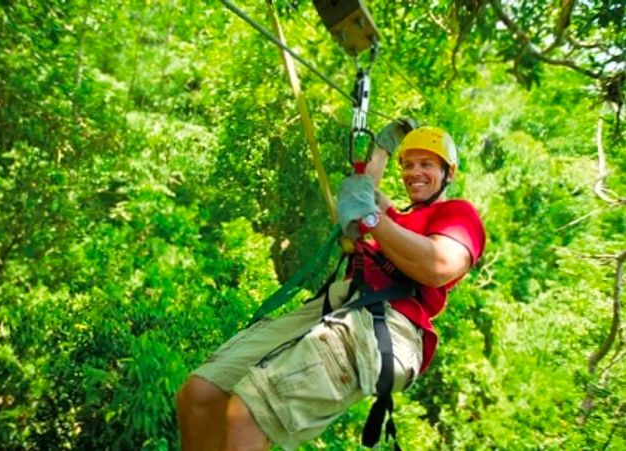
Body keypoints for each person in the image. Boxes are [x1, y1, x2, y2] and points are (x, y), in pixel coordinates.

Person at [176, 123, 486, 451]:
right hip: (340, 305)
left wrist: (370, 220)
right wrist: (382, 149)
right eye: (408, 165)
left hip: (386, 325)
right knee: (200, 393)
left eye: (426, 164)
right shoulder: (397, 218)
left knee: (247, 412)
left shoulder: (458, 214)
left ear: (448, 173)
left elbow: (438, 266)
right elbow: (366, 189)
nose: (414, 173)